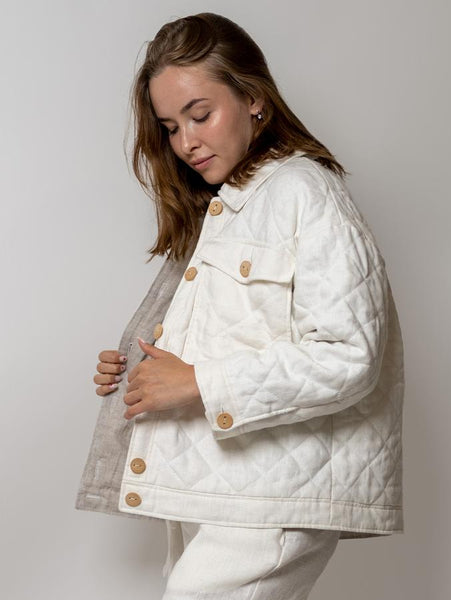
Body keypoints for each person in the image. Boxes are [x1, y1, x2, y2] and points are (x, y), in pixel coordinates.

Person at [76, 12, 405, 599]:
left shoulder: (304, 190)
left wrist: (197, 382)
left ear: (253, 98)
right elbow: (236, 331)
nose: (186, 142)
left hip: (272, 494)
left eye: (200, 114)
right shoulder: (225, 208)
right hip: (223, 483)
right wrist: (139, 370)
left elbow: (349, 355)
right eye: (170, 127)